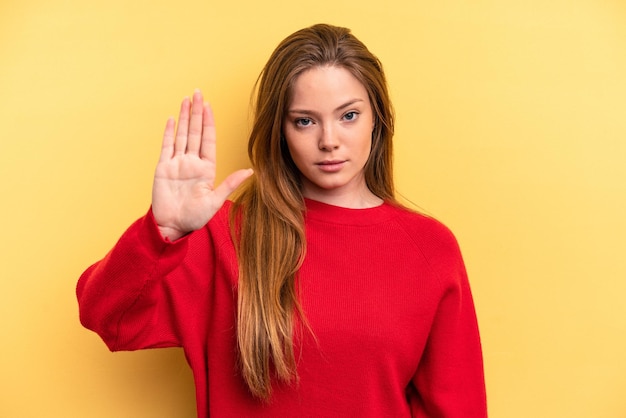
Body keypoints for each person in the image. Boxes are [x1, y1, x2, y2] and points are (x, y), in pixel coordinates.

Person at [77, 23, 487, 417]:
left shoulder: (430, 248)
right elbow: (107, 319)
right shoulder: (224, 235)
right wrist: (161, 233)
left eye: (348, 116)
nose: (329, 140)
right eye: (305, 121)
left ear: (377, 119)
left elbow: (457, 410)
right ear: (281, 130)